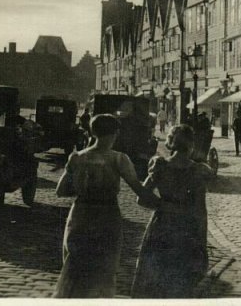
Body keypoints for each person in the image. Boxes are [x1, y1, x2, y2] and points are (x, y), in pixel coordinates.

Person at [53, 114, 161, 298]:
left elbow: (61, 190)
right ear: (116, 133)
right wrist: (164, 203)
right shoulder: (119, 159)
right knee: (104, 268)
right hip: (106, 216)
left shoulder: (77, 157)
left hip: (80, 214)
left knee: (75, 266)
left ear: (93, 132)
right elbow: (139, 190)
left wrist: (84, 187)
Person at [131, 124, 214, 298]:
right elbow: (200, 210)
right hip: (186, 229)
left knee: (156, 277)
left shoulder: (160, 166)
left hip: (162, 226)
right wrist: (202, 242)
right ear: (191, 145)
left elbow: (141, 198)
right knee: (181, 280)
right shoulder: (198, 171)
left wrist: (163, 205)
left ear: (170, 142)